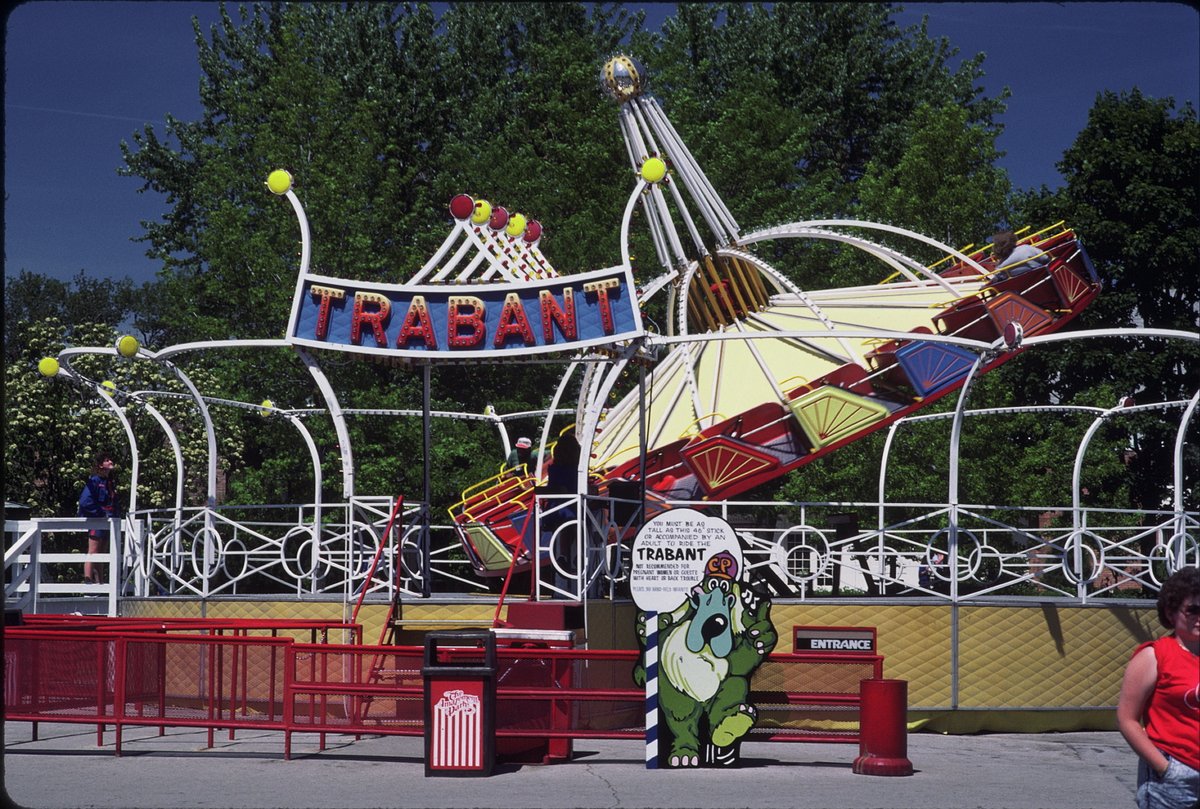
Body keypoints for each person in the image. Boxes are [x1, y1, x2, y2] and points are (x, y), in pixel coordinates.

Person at [1116, 566, 1200, 809]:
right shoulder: (1155, 655)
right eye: (1193, 610)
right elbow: (1126, 719)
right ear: (1171, 612)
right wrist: (1165, 768)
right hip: (1175, 778)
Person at [77, 452, 121, 584]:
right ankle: (88, 582)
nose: (110, 462)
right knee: (93, 551)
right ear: (101, 465)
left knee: (102, 553)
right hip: (97, 521)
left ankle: (100, 584)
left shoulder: (109, 482)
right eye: (107, 460)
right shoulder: (95, 481)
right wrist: (101, 513)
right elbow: (85, 502)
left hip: (108, 522)